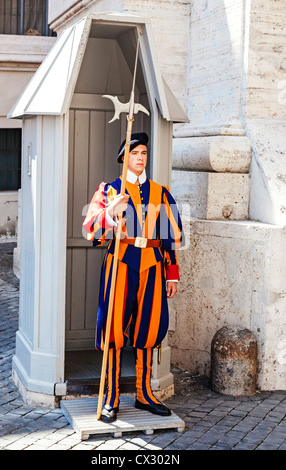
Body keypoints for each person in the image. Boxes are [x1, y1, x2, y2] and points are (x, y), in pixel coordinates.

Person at [83, 132, 184, 423]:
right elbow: (91, 231)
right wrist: (110, 214)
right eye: (135, 153)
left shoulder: (161, 192)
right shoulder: (109, 191)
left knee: (147, 329)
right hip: (120, 264)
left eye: (144, 153)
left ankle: (144, 393)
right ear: (124, 158)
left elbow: (171, 236)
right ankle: (112, 397)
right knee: (114, 329)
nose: (140, 158)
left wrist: (172, 275)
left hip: (152, 266)